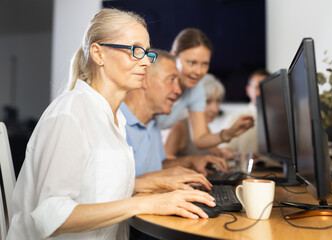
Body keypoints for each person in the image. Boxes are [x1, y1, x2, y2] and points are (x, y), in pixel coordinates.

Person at [7, 9, 215, 240]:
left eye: (147, 53)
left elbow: (95, 188)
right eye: (136, 51)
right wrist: (145, 203)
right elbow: (51, 216)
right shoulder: (70, 114)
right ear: (98, 54)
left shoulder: (113, 118)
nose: (146, 62)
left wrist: (151, 184)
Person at [121, 49, 228, 178]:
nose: (178, 90)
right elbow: (117, 187)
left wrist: (192, 161)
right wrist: (163, 181)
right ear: (144, 79)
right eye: (171, 79)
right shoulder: (116, 122)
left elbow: (159, 166)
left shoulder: (152, 122)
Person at [156, 28, 254, 150]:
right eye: (191, 63)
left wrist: (229, 133)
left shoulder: (196, 89)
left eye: (204, 64)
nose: (198, 72)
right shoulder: (155, 81)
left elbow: (199, 139)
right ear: (173, 56)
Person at [165, 73, 233, 159]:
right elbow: (164, 161)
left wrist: (223, 153)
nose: (215, 109)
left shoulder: (206, 128)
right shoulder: (180, 127)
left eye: (218, 101)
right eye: (207, 102)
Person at [223, 68, 270, 155]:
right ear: (248, 90)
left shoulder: (284, 118)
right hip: (246, 167)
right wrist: (243, 157)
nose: (261, 92)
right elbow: (224, 150)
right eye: (257, 87)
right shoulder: (234, 118)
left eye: (266, 88)